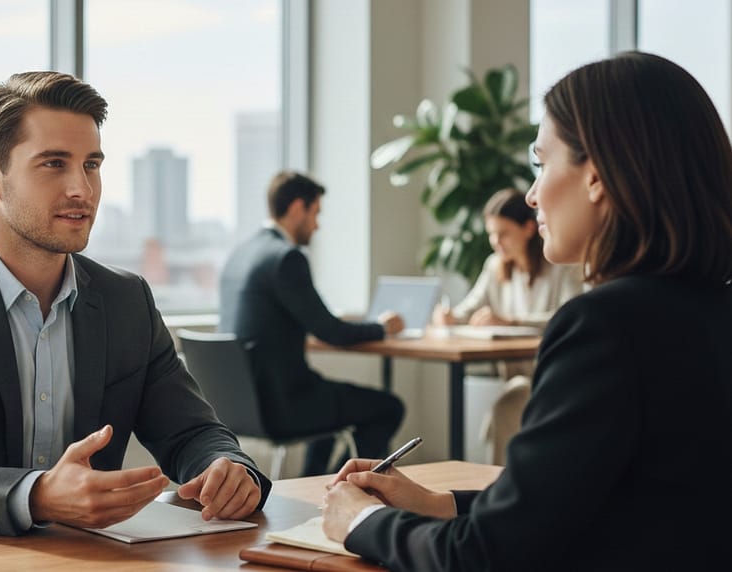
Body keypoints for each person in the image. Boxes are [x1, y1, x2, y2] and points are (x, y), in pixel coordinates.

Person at [321, 52, 732, 570]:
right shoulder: (708, 311)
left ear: (596, 176)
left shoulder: (606, 326)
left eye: (541, 164)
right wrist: (437, 503)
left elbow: (486, 557)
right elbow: (619, 509)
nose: (532, 196)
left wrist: (360, 520)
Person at [0, 71, 270, 536]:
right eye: (54, 163)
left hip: (89, 558)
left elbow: (191, 431)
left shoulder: (126, 300)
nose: (82, 189)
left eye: (91, 165)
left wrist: (227, 468)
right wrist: (36, 495)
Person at [219, 171, 405, 477]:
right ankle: (344, 484)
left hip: (240, 404)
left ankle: (317, 484)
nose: (317, 225)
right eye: (315, 213)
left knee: (328, 417)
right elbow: (331, 331)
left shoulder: (241, 254)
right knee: (389, 408)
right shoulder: (286, 258)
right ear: (297, 208)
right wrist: (382, 327)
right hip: (282, 405)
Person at [433, 187, 585, 464]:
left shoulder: (561, 266)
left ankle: (499, 482)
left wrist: (511, 321)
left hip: (552, 376)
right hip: (517, 376)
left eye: (503, 233)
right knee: (510, 399)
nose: (496, 242)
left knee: (509, 402)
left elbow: (570, 315)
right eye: (491, 234)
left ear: (528, 228)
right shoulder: (496, 266)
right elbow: (470, 309)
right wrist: (450, 316)